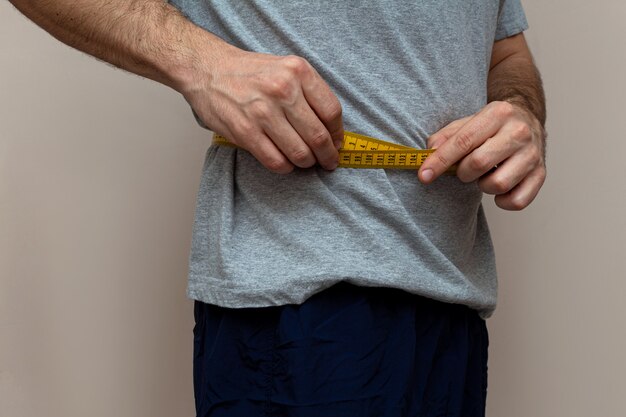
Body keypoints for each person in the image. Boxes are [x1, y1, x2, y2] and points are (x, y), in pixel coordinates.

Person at [9, 1, 546, 416]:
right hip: (307, 300)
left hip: (454, 298)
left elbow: (505, 52)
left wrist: (520, 110)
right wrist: (204, 66)